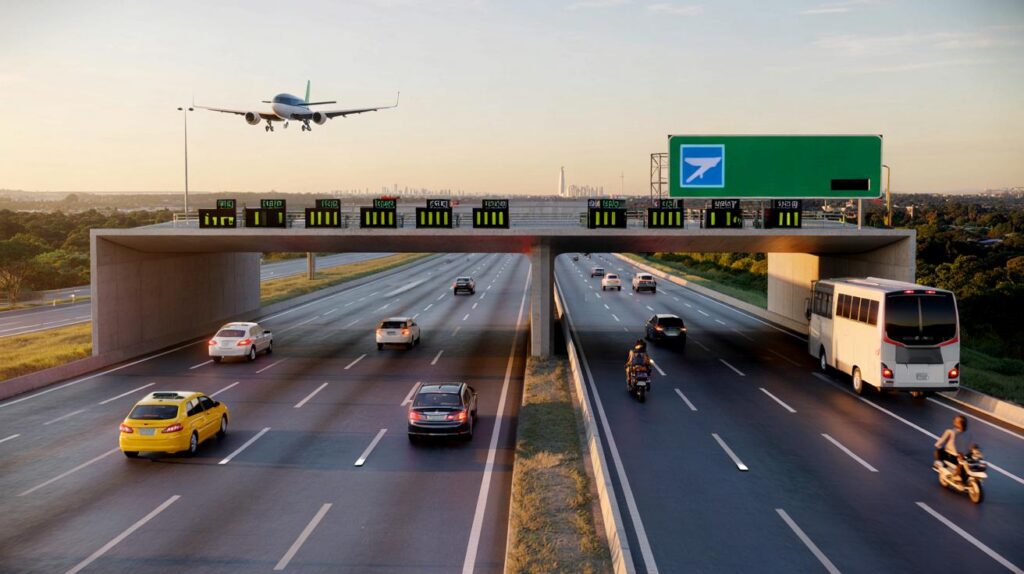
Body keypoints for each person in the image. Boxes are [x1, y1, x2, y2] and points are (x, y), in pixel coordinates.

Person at [934, 415, 970, 481]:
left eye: (955, 420)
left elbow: (939, 443)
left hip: (950, 456)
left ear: (958, 423)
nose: (953, 421)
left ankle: (938, 463)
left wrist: (938, 446)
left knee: (938, 450)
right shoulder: (967, 434)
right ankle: (960, 475)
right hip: (961, 458)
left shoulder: (950, 431)